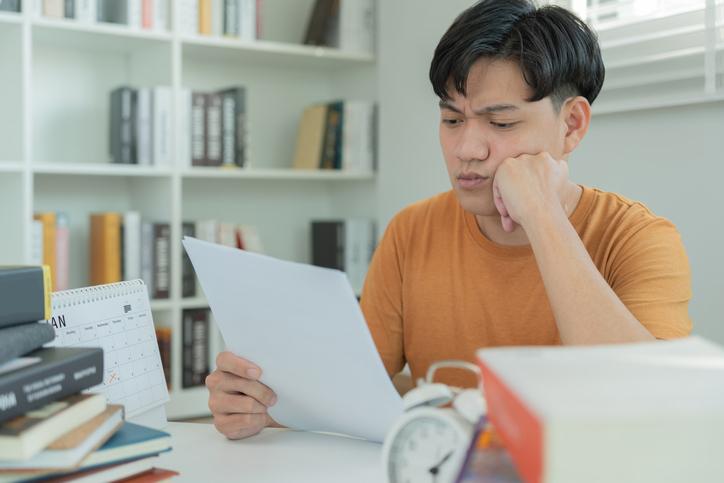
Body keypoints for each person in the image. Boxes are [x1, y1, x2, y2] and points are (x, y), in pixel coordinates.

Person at [205, 0, 693, 440]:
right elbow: (353, 389)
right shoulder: (412, 231)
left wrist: (543, 216)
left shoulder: (638, 237)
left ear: (571, 125)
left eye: (500, 124)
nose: (467, 149)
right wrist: (266, 404)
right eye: (452, 120)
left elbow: (649, 407)